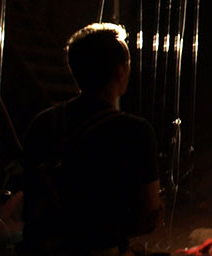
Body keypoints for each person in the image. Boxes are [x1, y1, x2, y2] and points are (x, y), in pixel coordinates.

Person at [20, 23, 162, 256]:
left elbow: (32, 205)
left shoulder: (42, 125)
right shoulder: (135, 132)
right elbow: (149, 214)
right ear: (120, 72)